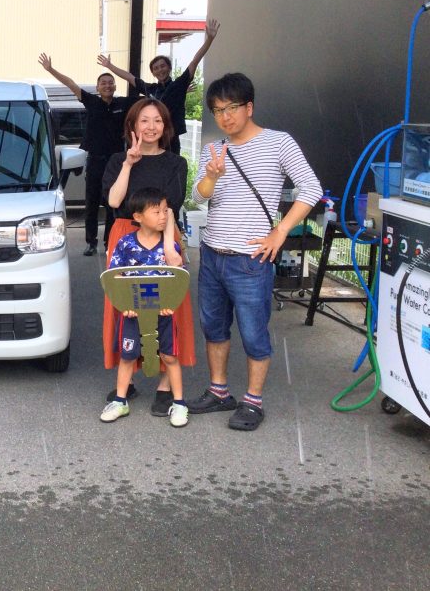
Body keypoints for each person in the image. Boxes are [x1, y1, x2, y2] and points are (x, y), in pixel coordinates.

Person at [188, 72, 321, 431]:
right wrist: (212, 175)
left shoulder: (279, 143)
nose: (225, 117)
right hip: (212, 253)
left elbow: (311, 188)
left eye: (231, 108)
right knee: (213, 327)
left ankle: (253, 401)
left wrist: (280, 231)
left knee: (253, 332)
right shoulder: (214, 148)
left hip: (251, 260)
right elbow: (198, 197)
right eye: (217, 110)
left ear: (249, 107)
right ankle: (219, 391)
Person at [101, 98, 193, 416]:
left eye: (157, 121)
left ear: (166, 126)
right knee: (125, 307)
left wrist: (169, 246)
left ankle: (166, 385)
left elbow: (170, 207)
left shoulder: (176, 163)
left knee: (168, 308)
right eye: (144, 120)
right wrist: (129, 164)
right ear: (132, 126)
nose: (151, 127)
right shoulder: (117, 160)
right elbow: (114, 202)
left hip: (163, 235)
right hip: (126, 237)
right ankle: (126, 380)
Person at [100, 187, 189, 428]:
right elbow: (115, 276)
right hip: (132, 312)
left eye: (165, 211)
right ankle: (120, 401)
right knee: (128, 355)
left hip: (163, 313)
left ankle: (179, 403)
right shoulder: (125, 244)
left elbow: (179, 277)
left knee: (170, 356)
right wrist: (125, 305)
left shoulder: (170, 247)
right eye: (156, 212)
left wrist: (169, 304)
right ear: (138, 216)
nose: (163, 216)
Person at [38, 52, 136, 254]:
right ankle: (91, 242)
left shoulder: (123, 104)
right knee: (91, 203)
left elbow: (146, 92)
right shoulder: (91, 101)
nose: (107, 85)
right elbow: (70, 83)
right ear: (97, 88)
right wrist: (50, 69)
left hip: (116, 163)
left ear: (115, 86)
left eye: (110, 82)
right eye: (103, 83)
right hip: (95, 161)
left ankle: (109, 243)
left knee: (113, 204)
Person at [97, 18, 220, 154]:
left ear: (169, 68)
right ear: (153, 73)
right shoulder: (150, 89)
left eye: (162, 66)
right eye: (156, 68)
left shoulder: (178, 85)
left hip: (171, 140)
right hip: (152, 138)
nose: (160, 70)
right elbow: (129, 77)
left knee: (172, 166)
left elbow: (194, 61)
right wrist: (109, 66)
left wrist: (209, 39)